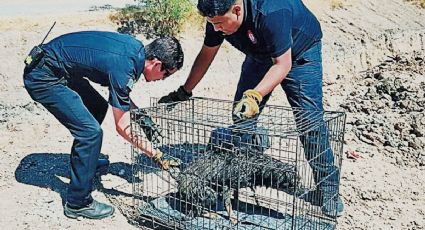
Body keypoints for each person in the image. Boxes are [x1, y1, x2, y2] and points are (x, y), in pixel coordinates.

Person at [159, 0, 344, 217]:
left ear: (237, 10)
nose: (216, 28)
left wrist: (255, 94)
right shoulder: (217, 16)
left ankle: (328, 192)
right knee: (241, 117)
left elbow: (282, 65)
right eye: (212, 24)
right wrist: (184, 91)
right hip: (260, 55)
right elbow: (207, 55)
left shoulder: (272, 12)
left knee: (309, 124)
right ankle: (248, 165)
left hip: (300, 52)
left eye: (219, 23)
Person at [23, 31, 184, 219]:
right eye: (165, 75)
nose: (162, 79)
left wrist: (140, 117)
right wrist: (156, 154)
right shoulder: (125, 68)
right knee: (90, 133)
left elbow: (118, 92)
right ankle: (77, 202)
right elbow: (122, 127)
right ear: (156, 64)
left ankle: (86, 162)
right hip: (43, 76)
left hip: (59, 67)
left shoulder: (134, 51)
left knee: (98, 106)